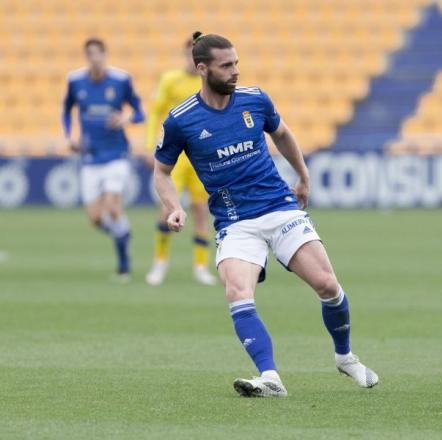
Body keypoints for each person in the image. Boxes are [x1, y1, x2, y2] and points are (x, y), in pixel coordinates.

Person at [153, 32, 379, 397]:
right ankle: (270, 378)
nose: (235, 71)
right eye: (226, 66)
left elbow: (283, 134)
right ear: (202, 68)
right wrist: (173, 206)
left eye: (237, 63)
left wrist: (302, 177)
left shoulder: (255, 100)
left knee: (327, 285)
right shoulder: (181, 121)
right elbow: (161, 171)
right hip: (235, 221)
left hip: (278, 207)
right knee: (237, 291)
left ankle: (345, 357)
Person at [63, 38, 144, 280]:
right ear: (86, 56)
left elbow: (140, 112)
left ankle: (124, 266)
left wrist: (126, 119)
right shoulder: (75, 81)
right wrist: (70, 137)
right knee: (96, 218)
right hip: (90, 156)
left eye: (99, 53)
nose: (95, 58)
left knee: (113, 208)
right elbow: (66, 110)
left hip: (117, 154)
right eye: (90, 54)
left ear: (105, 55)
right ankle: (123, 234)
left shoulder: (120, 80)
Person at [145, 38, 216, 286]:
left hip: (202, 156)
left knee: (200, 210)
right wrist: (148, 145)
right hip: (175, 157)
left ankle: (200, 266)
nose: (191, 60)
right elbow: (155, 112)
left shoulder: (208, 82)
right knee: (168, 209)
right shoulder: (170, 80)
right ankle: (160, 263)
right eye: (189, 54)